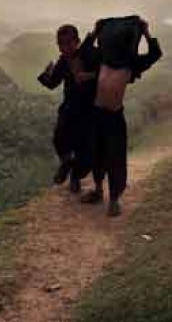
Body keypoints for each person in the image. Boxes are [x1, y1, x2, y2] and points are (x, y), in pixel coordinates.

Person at [81, 17, 162, 217]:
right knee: (97, 154)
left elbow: (155, 54)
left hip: (114, 117)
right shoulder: (102, 58)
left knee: (115, 158)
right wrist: (94, 31)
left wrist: (145, 32)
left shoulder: (132, 64)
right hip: (97, 113)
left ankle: (115, 199)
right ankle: (98, 190)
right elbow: (84, 51)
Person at [37, 24, 100, 193]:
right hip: (69, 109)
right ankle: (67, 164)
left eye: (68, 43)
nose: (65, 48)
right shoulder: (63, 62)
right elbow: (52, 83)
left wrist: (89, 75)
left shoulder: (89, 55)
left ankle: (75, 178)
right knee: (59, 140)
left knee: (83, 149)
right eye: (61, 44)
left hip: (88, 111)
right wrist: (46, 74)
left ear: (77, 42)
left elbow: (105, 72)